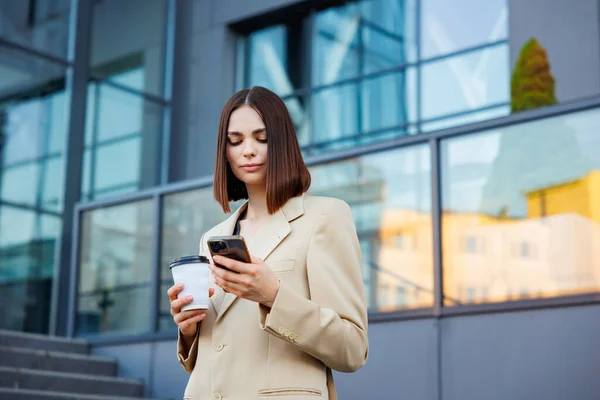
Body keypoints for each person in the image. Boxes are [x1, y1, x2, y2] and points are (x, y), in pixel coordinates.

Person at [167, 86, 368, 400]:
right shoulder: (213, 237)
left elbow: (352, 348)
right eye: (235, 141)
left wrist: (274, 296)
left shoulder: (325, 217)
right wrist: (189, 328)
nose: (247, 150)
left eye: (261, 138)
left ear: (283, 143)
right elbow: (215, 354)